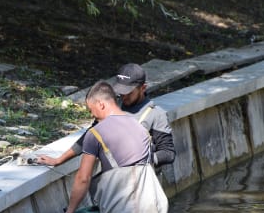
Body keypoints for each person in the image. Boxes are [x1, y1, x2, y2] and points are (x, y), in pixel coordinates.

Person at [57, 80, 174, 213]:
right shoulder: (140, 128)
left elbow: (83, 178)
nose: (94, 116)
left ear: (100, 105)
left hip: (122, 207)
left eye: (92, 110)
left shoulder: (96, 134)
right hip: (154, 202)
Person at [37, 63, 175, 170]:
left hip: (143, 184)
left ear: (143, 88)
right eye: (121, 91)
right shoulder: (113, 107)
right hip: (115, 183)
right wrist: (59, 160)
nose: (124, 96)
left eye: (129, 92)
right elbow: (89, 136)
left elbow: (168, 153)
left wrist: (141, 159)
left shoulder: (156, 115)